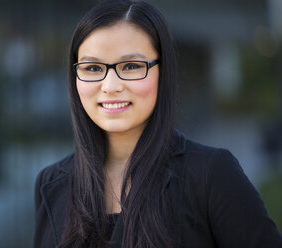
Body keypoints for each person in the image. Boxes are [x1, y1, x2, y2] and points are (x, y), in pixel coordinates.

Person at [33, 0, 282, 247]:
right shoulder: (52, 183)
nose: (110, 86)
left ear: (163, 71)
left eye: (131, 66)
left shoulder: (211, 175)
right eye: (93, 68)